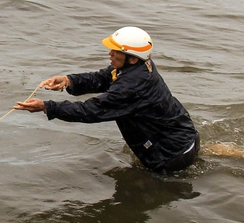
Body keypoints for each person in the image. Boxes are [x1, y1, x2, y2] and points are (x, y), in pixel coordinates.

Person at [14, 27, 199, 173]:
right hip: (185, 136)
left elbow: (91, 111)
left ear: (132, 59)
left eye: (116, 51)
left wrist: (47, 106)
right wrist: (69, 80)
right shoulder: (139, 66)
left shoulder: (131, 86)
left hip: (171, 156)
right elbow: (102, 78)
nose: (110, 53)